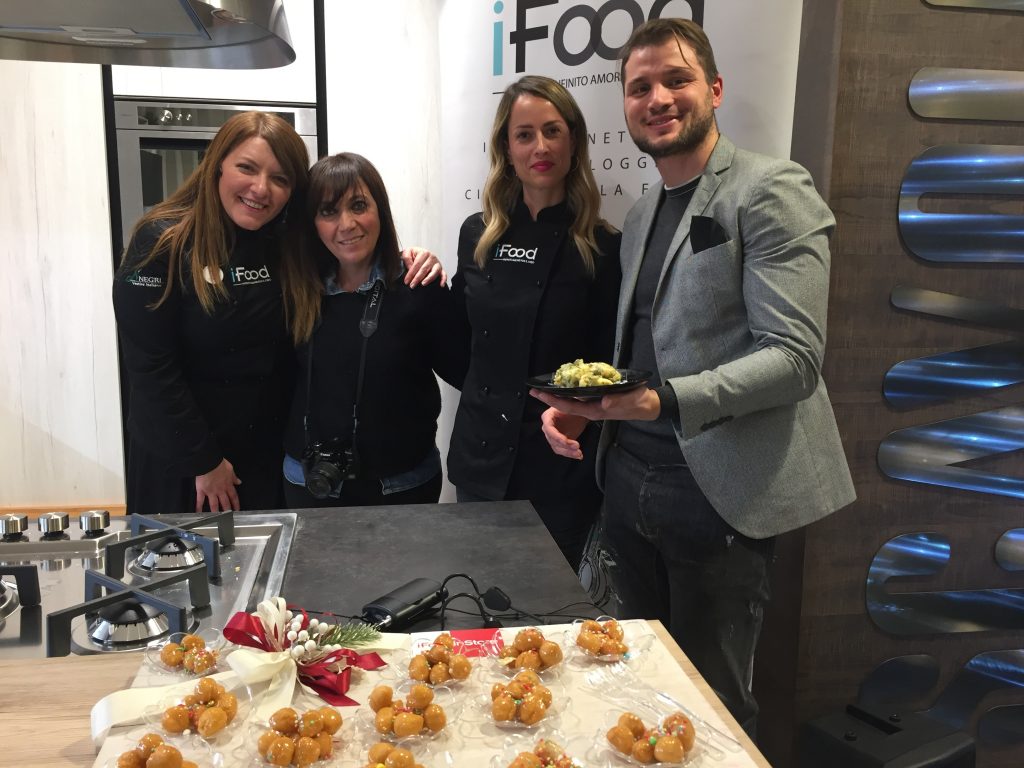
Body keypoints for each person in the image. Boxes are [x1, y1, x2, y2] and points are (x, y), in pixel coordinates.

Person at [532, 19, 855, 735]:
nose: (657, 99)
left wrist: (662, 401)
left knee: (710, 709)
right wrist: (590, 407)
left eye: (675, 80)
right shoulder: (642, 211)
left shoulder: (772, 189)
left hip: (719, 493)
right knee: (631, 681)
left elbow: (795, 358)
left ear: (714, 88)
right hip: (626, 482)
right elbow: (649, 346)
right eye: (639, 87)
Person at [114, 112, 443, 516]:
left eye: (280, 178)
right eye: (247, 168)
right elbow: (150, 368)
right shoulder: (160, 241)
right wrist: (203, 460)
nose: (260, 188)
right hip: (188, 461)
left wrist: (411, 258)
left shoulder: (286, 243)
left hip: (266, 455)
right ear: (217, 165)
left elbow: (351, 257)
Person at [448, 75, 621, 570]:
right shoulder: (477, 234)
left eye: (552, 131)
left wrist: (579, 416)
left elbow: (611, 362)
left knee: (551, 608)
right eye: (524, 134)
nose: (539, 147)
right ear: (507, 149)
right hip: (480, 460)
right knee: (474, 596)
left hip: (559, 464)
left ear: (574, 142)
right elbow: (460, 343)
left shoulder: (603, 247)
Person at [281, 153, 467, 508]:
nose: (347, 224)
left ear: (380, 209)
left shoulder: (418, 285)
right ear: (312, 223)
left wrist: (467, 285)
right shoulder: (295, 289)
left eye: (358, 206)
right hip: (308, 482)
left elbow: (467, 370)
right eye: (328, 211)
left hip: (402, 486)